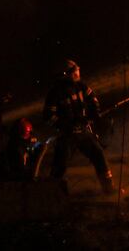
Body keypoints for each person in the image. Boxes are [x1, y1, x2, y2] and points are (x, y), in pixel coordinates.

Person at [43, 59, 114, 193]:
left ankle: (109, 189)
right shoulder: (55, 93)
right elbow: (48, 117)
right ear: (66, 74)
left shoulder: (82, 86)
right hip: (67, 135)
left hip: (83, 132)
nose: (77, 73)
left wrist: (95, 114)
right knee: (60, 165)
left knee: (98, 154)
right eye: (75, 71)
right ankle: (49, 192)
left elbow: (93, 101)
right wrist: (65, 125)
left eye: (77, 70)